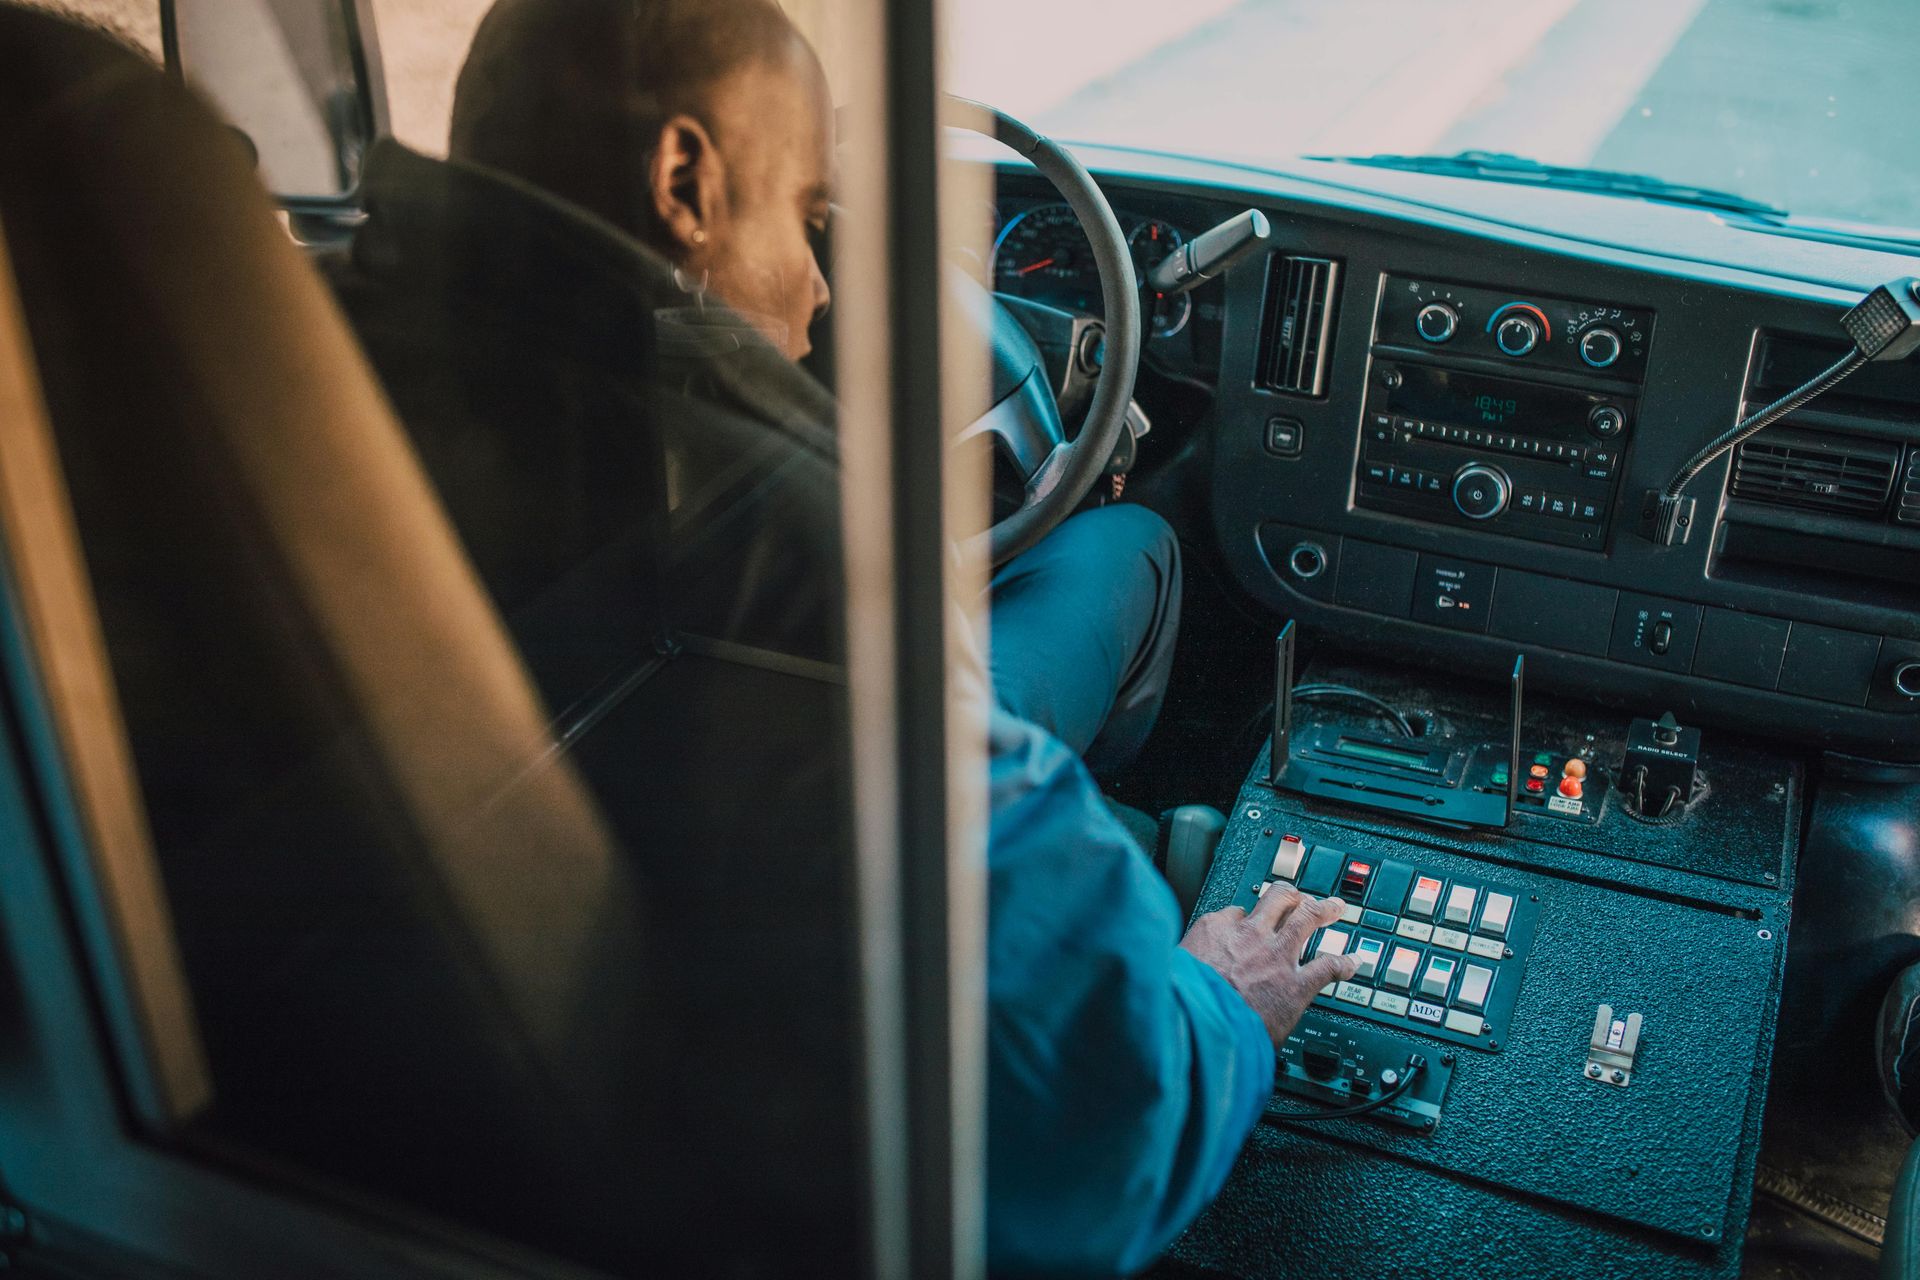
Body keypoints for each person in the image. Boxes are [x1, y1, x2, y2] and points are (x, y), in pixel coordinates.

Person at [339, 0, 1362, 1271]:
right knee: (1131, 547)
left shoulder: (339, 344)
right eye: (806, 213)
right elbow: (1096, 1129)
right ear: (685, 182)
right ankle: (1125, 829)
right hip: (714, 1072)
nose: (823, 286)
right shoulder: (787, 553)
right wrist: (1221, 999)